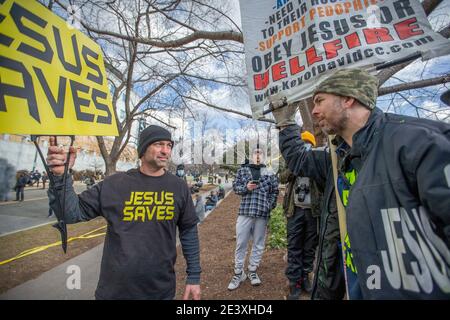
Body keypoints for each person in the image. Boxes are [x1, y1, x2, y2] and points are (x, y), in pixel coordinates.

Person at [272, 68, 450, 299]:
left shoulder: (418, 142)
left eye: (319, 100)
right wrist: (286, 124)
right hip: (358, 284)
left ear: (347, 99)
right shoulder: (337, 157)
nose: (314, 111)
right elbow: (300, 159)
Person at [46, 125, 201, 300]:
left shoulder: (178, 187)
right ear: (143, 149)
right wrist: (60, 177)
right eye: (159, 144)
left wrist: (194, 276)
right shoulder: (114, 184)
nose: (165, 151)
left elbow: (189, 231)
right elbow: (72, 214)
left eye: (169, 145)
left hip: (160, 292)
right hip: (114, 292)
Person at [228, 147, 279, 290]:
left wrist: (269, 205)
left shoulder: (269, 172)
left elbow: (274, 191)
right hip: (245, 211)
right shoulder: (243, 170)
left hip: (262, 213)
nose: (258, 155)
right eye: (255, 152)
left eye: (260, 153)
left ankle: (252, 270)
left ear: (264, 156)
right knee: (241, 243)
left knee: (258, 243)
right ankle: (238, 273)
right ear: (251, 156)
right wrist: (246, 187)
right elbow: (236, 188)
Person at [283, 131, 319, 300]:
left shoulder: (318, 160)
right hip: (295, 210)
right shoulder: (291, 161)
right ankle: (294, 283)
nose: (305, 146)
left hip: (313, 211)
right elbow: (282, 177)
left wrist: (310, 161)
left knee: (309, 247)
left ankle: (305, 277)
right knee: (294, 247)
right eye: (302, 143)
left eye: (308, 143)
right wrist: (295, 163)